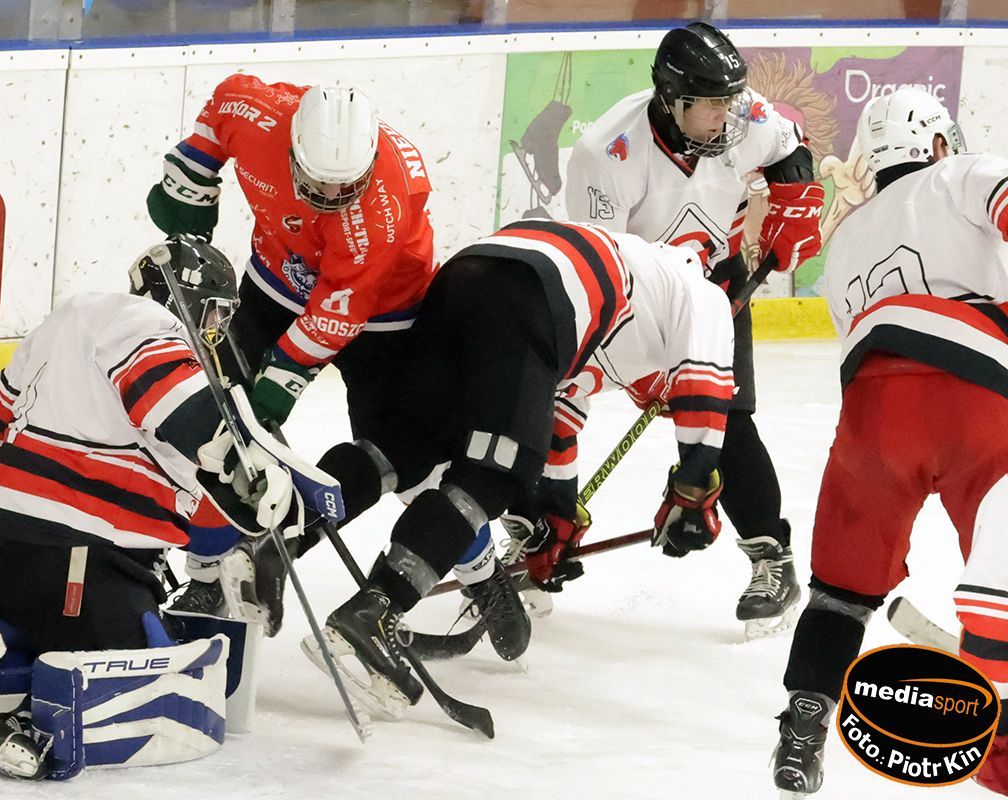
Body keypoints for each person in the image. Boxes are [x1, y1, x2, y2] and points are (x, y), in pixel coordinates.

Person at [296, 219, 736, 717]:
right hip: (532, 296)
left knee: (409, 443)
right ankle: (376, 611)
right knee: (492, 475)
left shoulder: (635, 293)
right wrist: (693, 494)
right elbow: (706, 393)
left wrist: (553, 519)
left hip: (467, 276)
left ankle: (279, 532)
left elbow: (553, 421)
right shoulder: (701, 294)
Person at [0, 236, 300, 778]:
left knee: (81, 622)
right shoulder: (150, 326)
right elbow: (181, 412)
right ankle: (30, 722)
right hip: (78, 566)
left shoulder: (64, 322)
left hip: (2, 560)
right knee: (160, 671)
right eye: (215, 312)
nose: (215, 330)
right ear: (187, 298)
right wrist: (253, 467)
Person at [146, 75, 475, 634]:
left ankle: (479, 567)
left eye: (345, 186)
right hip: (276, 279)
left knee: (405, 454)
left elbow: (336, 315)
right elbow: (219, 111)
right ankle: (206, 573)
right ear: (292, 146)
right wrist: (192, 177)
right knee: (217, 430)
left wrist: (274, 387)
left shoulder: (381, 209)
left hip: (385, 312)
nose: (328, 195)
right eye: (317, 180)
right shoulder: (255, 113)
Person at [771, 88, 1008, 796]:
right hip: (977, 393)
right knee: (1002, 572)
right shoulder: (962, 172)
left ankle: (803, 725)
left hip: (871, 417)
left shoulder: (845, 240)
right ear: (936, 143)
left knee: (840, 589)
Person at [561, 21, 824, 637]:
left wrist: (794, 205)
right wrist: (648, 368)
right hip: (636, 296)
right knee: (554, 399)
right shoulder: (607, 154)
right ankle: (538, 527)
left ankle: (771, 556)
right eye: (710, 105)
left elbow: (789, 149)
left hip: (718, 285)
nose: (726, 116)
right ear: (671, 99)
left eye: (730, 101)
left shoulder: (743, 115)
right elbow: (605, 271)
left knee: (728, 420)